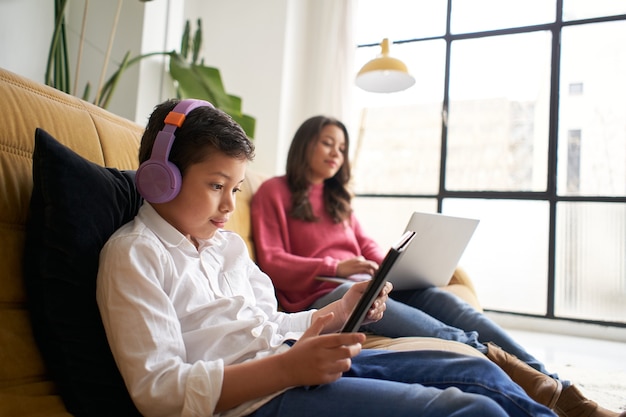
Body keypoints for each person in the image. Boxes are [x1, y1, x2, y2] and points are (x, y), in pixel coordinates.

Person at [96, 99, 558, 417]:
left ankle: (554, 389)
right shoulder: (134, 255)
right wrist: (287, 367)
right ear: (161, 179)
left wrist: (338, 313)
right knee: (470, 409)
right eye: (217, 186)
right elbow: (157, 393)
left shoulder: (227, 248)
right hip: (255, 399)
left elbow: (271, 323)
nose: (230, 207)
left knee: (471, 370)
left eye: (235, 189)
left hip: (290, 362)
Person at [250, 115, 625, 417]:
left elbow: (365, 245)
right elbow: (272, 261)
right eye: (328, 143)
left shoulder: (338, 198)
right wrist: (339, 266)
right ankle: (562, 404)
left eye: (342, 147)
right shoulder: (274, 192)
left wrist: (392, 263)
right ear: (304, 145)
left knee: (462, 311)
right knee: (451, 335)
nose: (336, 153)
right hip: (328, 294)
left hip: (371, 283)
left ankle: (567, 392)